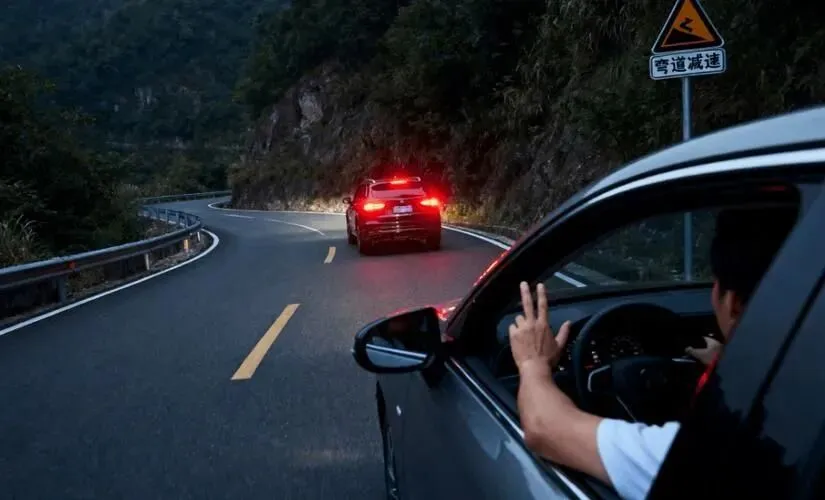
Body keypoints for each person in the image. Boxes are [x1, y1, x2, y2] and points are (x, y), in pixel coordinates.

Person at [509, 207, 796, 500]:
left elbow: (544, 428)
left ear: (733, 303)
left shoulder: (712, 455)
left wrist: (533, 363)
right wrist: (727, 360)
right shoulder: (797, 405)